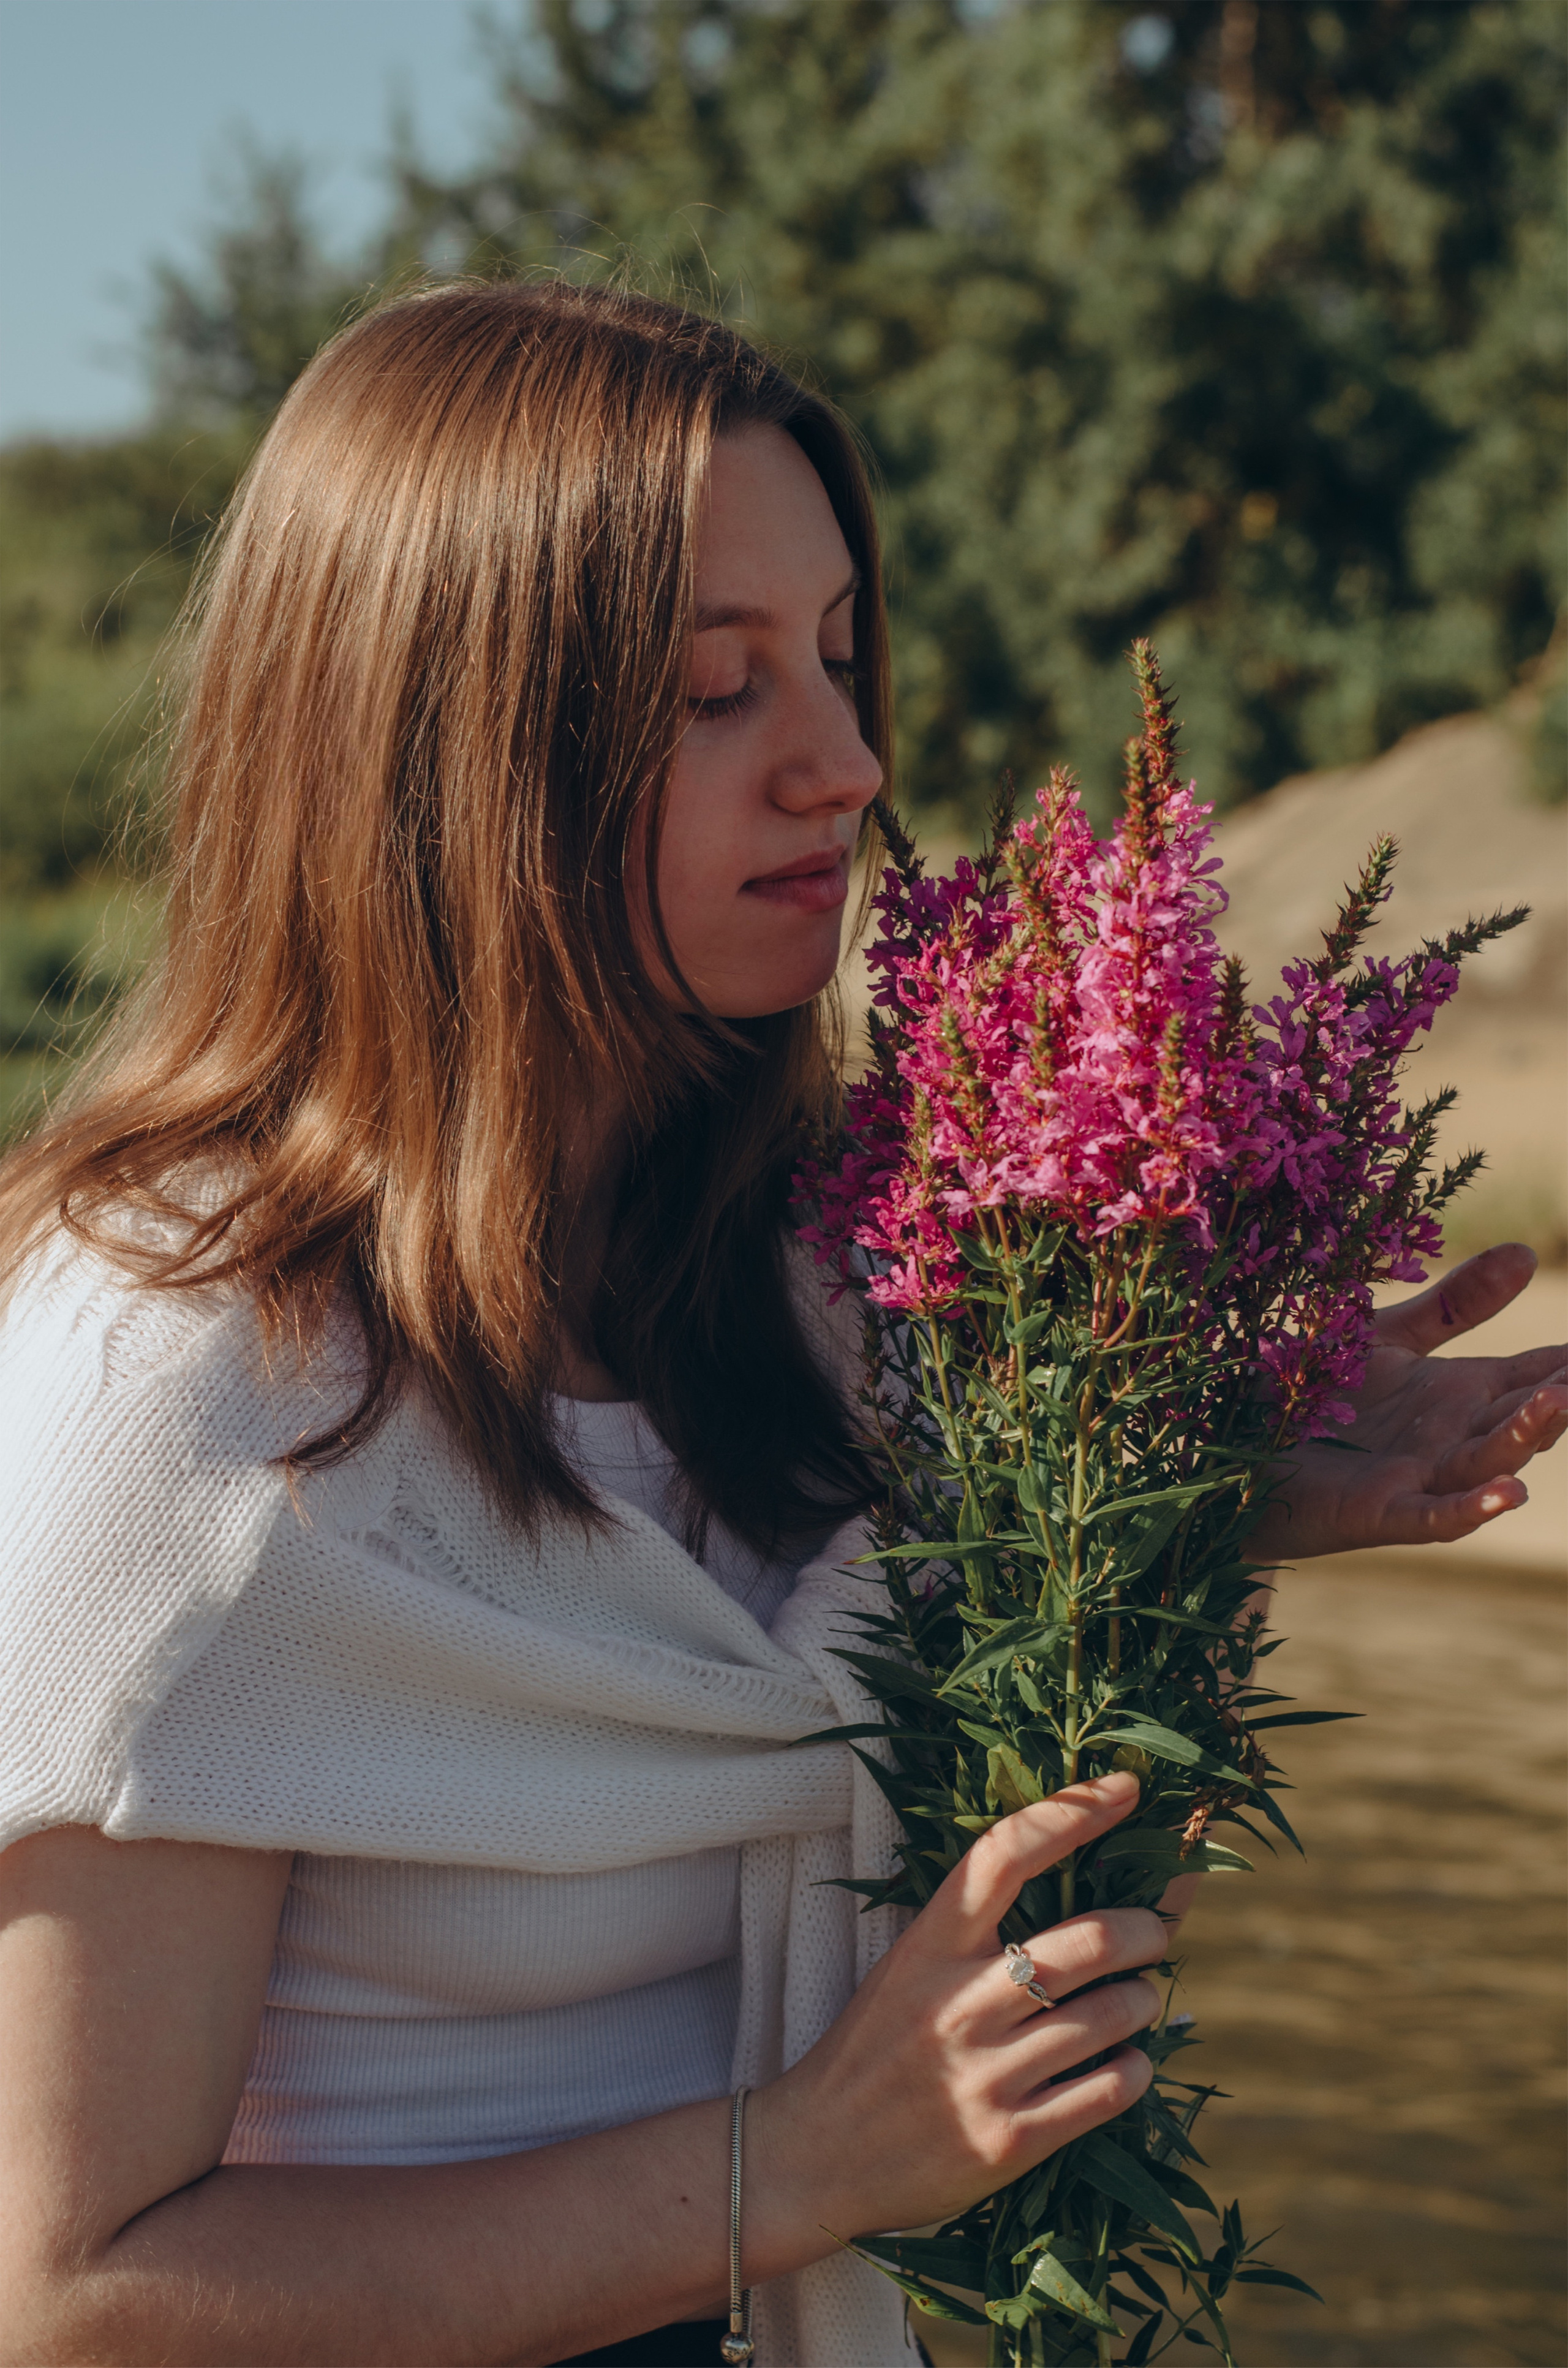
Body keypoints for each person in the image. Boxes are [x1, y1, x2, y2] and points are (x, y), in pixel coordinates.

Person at [0, 282, 1562, 2368]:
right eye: (718, 688)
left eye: (837, 655)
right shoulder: (188, 1380)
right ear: (454, 754)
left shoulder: (801, 1263)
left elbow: (834, 1600)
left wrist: (1211, 1448)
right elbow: (65, 2293)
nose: (849, 763)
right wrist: (805, 2168)